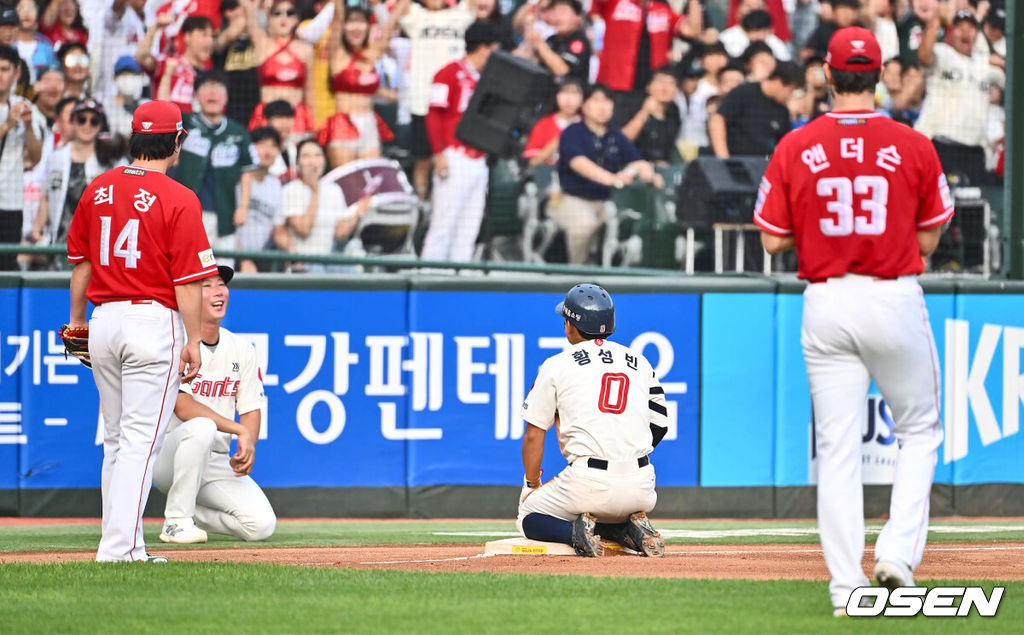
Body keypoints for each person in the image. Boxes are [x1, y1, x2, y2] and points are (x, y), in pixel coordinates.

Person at [752, 27, 953, 616]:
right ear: (879, 73)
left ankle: (847, 591)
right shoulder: (912, 143)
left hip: (826, 299)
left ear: (830, 75)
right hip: (892, 292)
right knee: (919, 431)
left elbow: (769, 240)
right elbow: (932, 232)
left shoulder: (797, 144)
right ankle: (896, 553)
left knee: (836, 450)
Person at [66, 99, 218, 562]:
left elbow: (82, 264)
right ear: (176, 140)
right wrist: (194, 340)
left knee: (116, 440)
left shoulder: (99, 188)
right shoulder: (179, 197)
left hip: (104, 320)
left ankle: (116, 545)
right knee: (139, 442)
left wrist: (77, 322)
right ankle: (121, 549)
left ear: (135, 137)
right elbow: (188, 283)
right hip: (151, 321)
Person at [517, 283, 669, 558]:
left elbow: (533, 434)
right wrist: (626, 453)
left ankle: (576, 534)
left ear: (570, 326)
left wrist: (531, 484)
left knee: (528, 515)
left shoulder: (557, 364)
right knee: (607, 500)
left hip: (588, 481)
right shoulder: (639, 360)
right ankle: (626, 530)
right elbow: (660, 424)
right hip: (642, 486)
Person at [152, 265, 275, 544]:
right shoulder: (176, 341)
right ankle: (176, 521)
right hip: (169, 454)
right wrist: (238, 430)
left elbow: (251, 407)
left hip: (215, 460)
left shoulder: (241, 348)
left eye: (221, 284)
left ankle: (190, 510)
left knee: (261, 526)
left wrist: (249, 443)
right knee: (202, 427)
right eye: (206, 286)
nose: (218, 292)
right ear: (189, 296)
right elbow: (182, 407)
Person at [419, 19, 500, 264]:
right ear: (484, 47)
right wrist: (438, 153)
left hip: (479, 159)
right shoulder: (448, 73)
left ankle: (459, 278)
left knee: (469, 225)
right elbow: (433, 113)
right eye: (495, 48)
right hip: (454, 156)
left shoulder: (491, 81)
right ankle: (429, 277)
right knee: (444, 222)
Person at [554, 84, 661, 265]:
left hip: (608, 201)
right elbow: (579, 163)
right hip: (569, 198)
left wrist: (649, 174)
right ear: (585, 106)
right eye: (596, 100)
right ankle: (577, 276)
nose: (602, 106)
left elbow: (637, 160)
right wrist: (612, 179)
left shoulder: (615, 135)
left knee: (634, 223)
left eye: (607, 101)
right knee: (584, 225)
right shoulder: (572, 132)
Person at [394, 0, 477, 200]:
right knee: (423, 160)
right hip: (422, 99)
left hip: (455, 105)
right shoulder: (416, 15)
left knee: (452, 159)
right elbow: (399, 11)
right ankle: (421, 204)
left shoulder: (460, 15)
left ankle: (446, 203)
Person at [173, 71, 257, 254]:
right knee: (191, 271)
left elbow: (247, 171)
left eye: (218, 88)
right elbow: (161, 109)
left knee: (224, 273)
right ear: (195, 95)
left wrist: (243, 207)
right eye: (206, 88)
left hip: (225, 217)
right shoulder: (184, 123)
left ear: (227, 96)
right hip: (188, 215)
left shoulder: (238, 132)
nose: (212, 94)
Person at [319, 0, 401, 169]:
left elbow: (390, 27)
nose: (356, 28)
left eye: (361, 22)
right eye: (351, 22)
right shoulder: (337, 53)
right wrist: (339, 8)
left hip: (369, 122)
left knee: (371, 176)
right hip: (343, 123)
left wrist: (378, 5)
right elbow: (338, 19)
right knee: (346, 179)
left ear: (368, 26)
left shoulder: (371, 53)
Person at [592, 0, 702, 126]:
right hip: (616, 88)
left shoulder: (662, 9)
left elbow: (693, 31)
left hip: (652, 91)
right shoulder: (616, 3)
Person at [39, 99, 125, 250]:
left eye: (94, 121)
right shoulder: (56, 157)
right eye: (81, 119)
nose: (87, 126)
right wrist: (36, 230)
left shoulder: (112, 161)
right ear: (72, 122)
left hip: (97, 244)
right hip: (59, 241)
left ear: (100, 125)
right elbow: (46, 196)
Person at [914, 10, 1004, 150]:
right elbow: (924, 57)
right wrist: (935, 20)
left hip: (974, 148)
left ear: (977, 34)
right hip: (939, 141)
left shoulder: (986, 65)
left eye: (971, 29)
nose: (965, 33)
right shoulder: (943, 53)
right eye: (960, 28)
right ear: (952, 32)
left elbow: (1014, 85)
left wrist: (1004, 64)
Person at [282, 138, 366, 271]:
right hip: (304, 260)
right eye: (306, 156)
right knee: (316, 270)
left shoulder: (334, 189)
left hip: (329, 258)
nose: (312, 161)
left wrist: (358, 212)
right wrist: (315, 192)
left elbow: (339, 233)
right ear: (298, 162)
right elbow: (304, 230)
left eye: (317, 155)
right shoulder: (290, 190)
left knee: (354, 273)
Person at [241, 0, 316, 138]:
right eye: (277, 13)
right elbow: (248, 12)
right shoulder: (262, 45)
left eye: (290, 13)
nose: (284, 18)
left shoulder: (306, 49)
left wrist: (313, 123)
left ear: (297, 19)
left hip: (297, 119)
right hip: (266, 117)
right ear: (269, 18)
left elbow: (309, 91)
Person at [0, 44, 42, 271]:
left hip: (11, 203)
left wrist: (27, 127)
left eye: (5, 69)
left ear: (16, 73)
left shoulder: (24, 106)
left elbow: (35, 157)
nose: (0, 75)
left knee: (6, 269)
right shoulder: (11, 112)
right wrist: (7, 124)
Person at [709, 61, 802, 158]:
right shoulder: (744, 92)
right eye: (790, 90)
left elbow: (784, 146)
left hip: (763, 167)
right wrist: (724, 159)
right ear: (778, 81)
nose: (789, 96)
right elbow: (718, 120)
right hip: (736, 165)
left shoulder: (782, 111)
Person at [233, 126, 289, 272]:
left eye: (273, 146)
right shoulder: (237, 179)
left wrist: (295, 253)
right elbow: (228, 226)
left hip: (260, 258)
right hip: (231, 254)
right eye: (262, 144)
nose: (268, 151)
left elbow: (278, 230)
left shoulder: (276, 185)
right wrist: (243, 259)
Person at [146, 16, 216, 115]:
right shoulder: (169, 63)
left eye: (212, 36)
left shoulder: (210, 74)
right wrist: (155, 27)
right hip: (171, 124)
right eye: (204, 35)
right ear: (187, 37)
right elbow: (142, 58)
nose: (209, 42)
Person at [524, 0, 589, 90]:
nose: (557, 17)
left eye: (563, 12)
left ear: (577, 17)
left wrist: (539, 44)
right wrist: (530, 36)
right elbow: (534, 63)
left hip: (569, 96)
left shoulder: (578, 40)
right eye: (555, 11)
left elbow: (562, 70)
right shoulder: (551, 39)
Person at [622, 66, 681, 164]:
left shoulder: (674, 113)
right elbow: (622, 141)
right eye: (660, 81)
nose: (664, 87)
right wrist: (644, 112)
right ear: (648, 87)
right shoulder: (632, 106)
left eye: (671, 83)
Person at [522, 77, 582, 167]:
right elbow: (533, 163)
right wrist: (558, 142)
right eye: (564, 92)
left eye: (574, 93)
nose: (569, 98)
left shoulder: (587, 124)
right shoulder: (544, 123)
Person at [103, 55, 150, 139]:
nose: (128, 78)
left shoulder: (146, 105)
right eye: (124, 74)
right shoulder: (105, 107)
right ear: (115, 78)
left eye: (133, 74)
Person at [14, 0, 58, 82]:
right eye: (21, 8)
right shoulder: (7, 43)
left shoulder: (46, 44)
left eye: (31, 9)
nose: (26, 14)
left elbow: (54, 72)